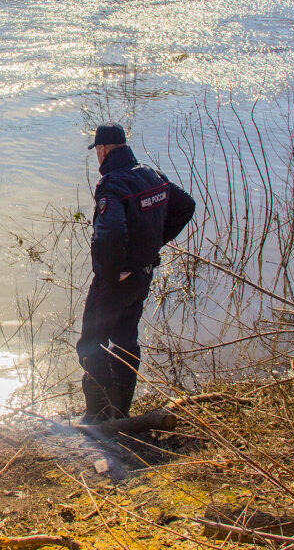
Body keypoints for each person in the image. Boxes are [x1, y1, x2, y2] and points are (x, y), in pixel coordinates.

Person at [78, 124, 196, 424]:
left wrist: (113, 271)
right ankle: (121, 411)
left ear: (102, 149)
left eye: (98, 151)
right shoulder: (152, 175)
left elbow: (111, 233)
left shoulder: (112, 185)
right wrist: (153, 244)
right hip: (143, 276)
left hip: (116, 281)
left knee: (92, 342)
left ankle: (96, 416)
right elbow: (186, 205)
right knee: (126, 339)